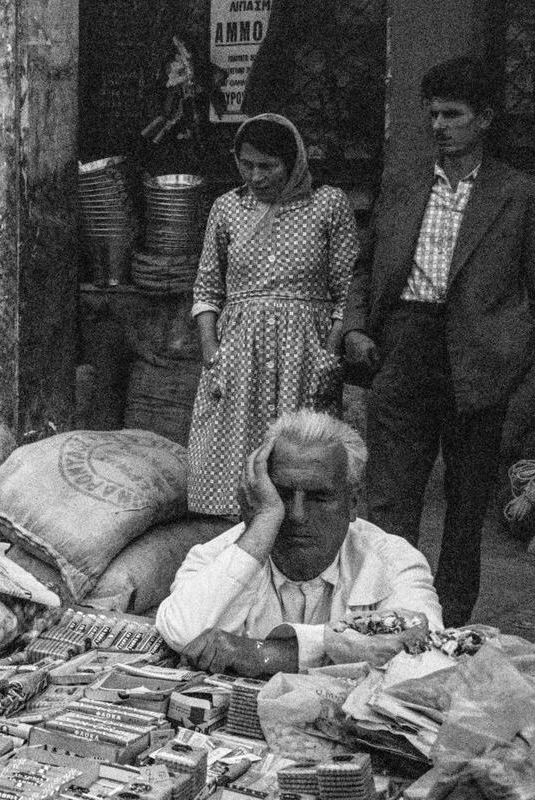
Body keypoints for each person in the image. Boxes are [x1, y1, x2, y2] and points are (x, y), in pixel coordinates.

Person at [342, 57, 535, 628]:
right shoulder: (404, 183)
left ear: (485, 119)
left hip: (483, 361)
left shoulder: (519, 194)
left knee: (465, 506)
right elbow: (365, 265)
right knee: (389, 497)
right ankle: (385, 613)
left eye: (453, 115)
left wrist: (518, 371)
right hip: (404, 343)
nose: (440, 125)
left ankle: (447, 623)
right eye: (433, 114)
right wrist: (355, 327)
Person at [156, 410, 443, 676]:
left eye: (319, 498)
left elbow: (425, 651)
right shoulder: (226, 553)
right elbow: (183, 633)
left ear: (352, 503)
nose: (297, 515)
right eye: (281, 495)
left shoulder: (393, 561)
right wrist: (264, 522)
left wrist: (270, 653)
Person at [187, 113, 360, 518]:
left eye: (268, 166)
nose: (256, 175)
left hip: (305, 357)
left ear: (294, 161)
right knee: (233, 464)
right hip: (239, 358)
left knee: (298, 458)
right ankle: (237, 555)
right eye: (246, 164)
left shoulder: (327, 205)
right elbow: (208, 289)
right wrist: (214, 354)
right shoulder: (227, 208)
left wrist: (328, 357)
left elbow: (347, 291)